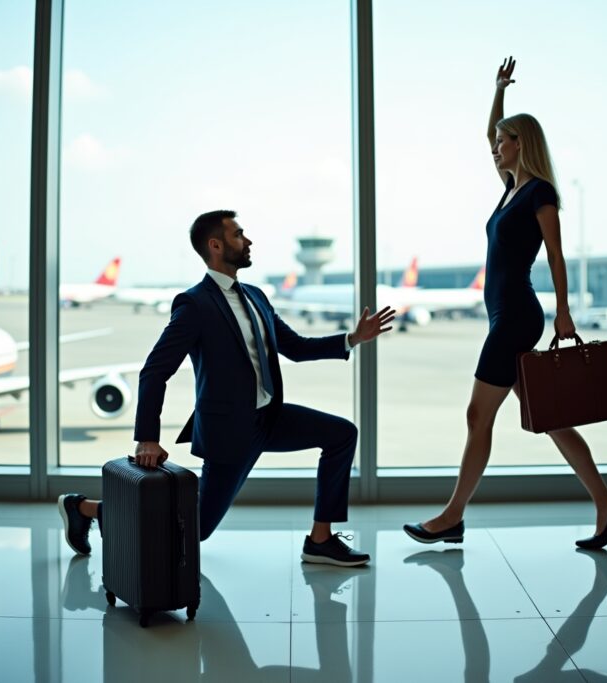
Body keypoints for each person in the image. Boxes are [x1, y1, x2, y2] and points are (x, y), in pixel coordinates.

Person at [59, 209, 395, 567]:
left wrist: (352, 338)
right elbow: (154, 371)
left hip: (270, 418)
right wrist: (147, 437)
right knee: (197, 528)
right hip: (230, 430)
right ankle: (84, 508)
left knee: (341, 434)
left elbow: (295, 347)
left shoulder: (256, 295)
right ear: (216, 245)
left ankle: (320, 540)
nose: (248, 241)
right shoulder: (194, 304)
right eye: (239, 235)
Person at [403, 57, 607, 550]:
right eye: (496, 142)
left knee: (476, 415)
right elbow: (490, 129)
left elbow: (555, 254)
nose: (495, 148)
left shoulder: (539, 193)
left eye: (503, 142)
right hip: (502, 315)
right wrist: (498, 90)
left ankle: (452, 516)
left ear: (521, 144)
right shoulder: (511, 190)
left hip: (518, 317)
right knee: (549, 416)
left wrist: (565, 312)